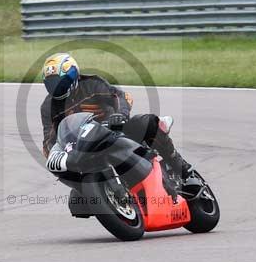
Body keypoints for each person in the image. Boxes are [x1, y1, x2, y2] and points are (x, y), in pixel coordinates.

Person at [40, 52, 192, 178]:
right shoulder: (48, 107)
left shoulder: (92, 84)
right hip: (82, 147)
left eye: (60, 82)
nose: (57, 87)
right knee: (76, 197)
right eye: (51, 84)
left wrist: (120, 115)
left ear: (73, 75)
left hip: (113, 130)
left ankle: (178, 164)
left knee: (148, 122)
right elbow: (48, 138)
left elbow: (121, 97)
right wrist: (54, 155)